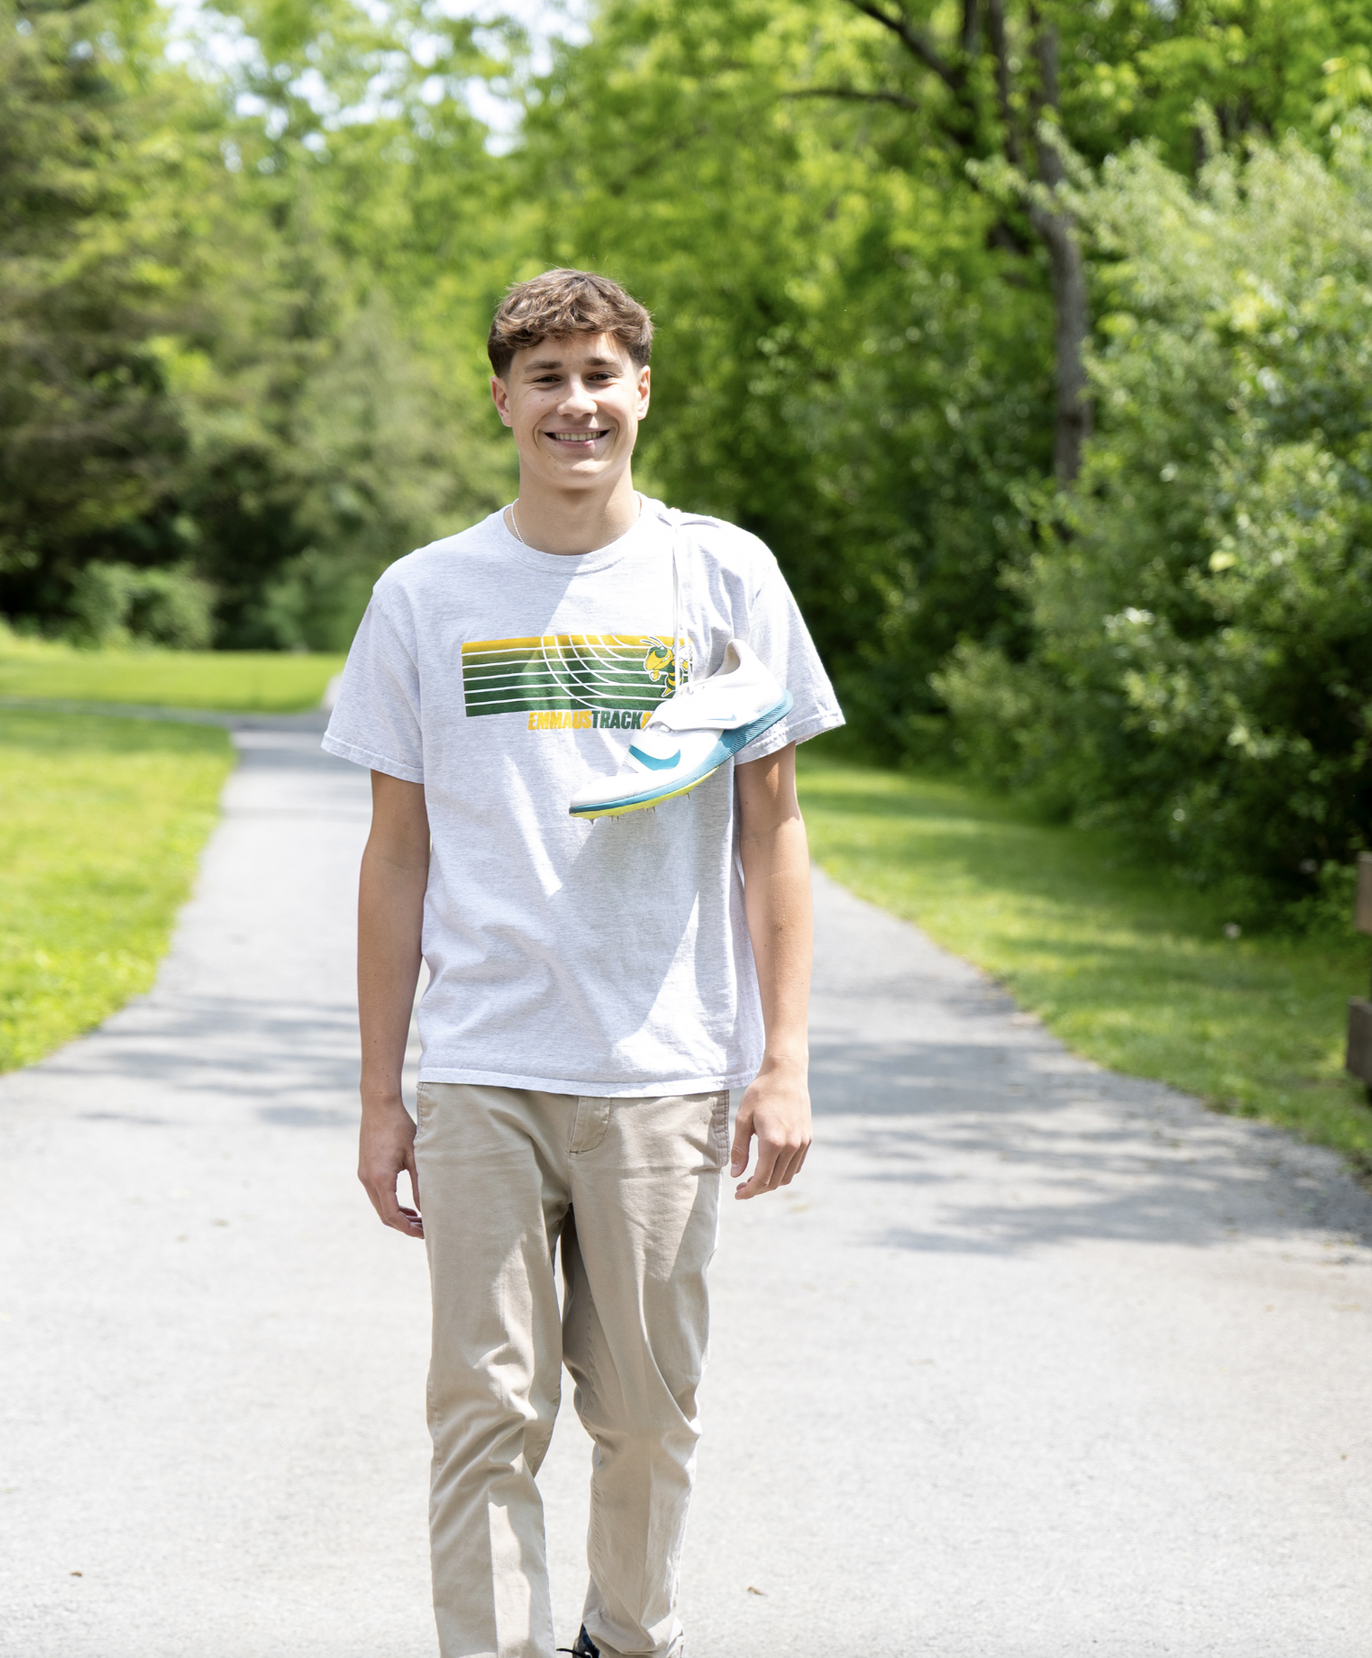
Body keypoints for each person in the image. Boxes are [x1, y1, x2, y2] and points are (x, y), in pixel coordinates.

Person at [321, 268, 844, 1658]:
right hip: (484, 1064)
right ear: (502, 399)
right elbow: (393, 860)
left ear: (643, 392)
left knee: (649, 1411)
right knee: (486, 1411)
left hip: (664, 1068)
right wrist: (385, 1094)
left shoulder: (723, 576)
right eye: (546, 377)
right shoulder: (425, 596)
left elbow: (774, 834)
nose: (578, 403)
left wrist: (782, 1062)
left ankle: (624, 1636)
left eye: (602, 374)